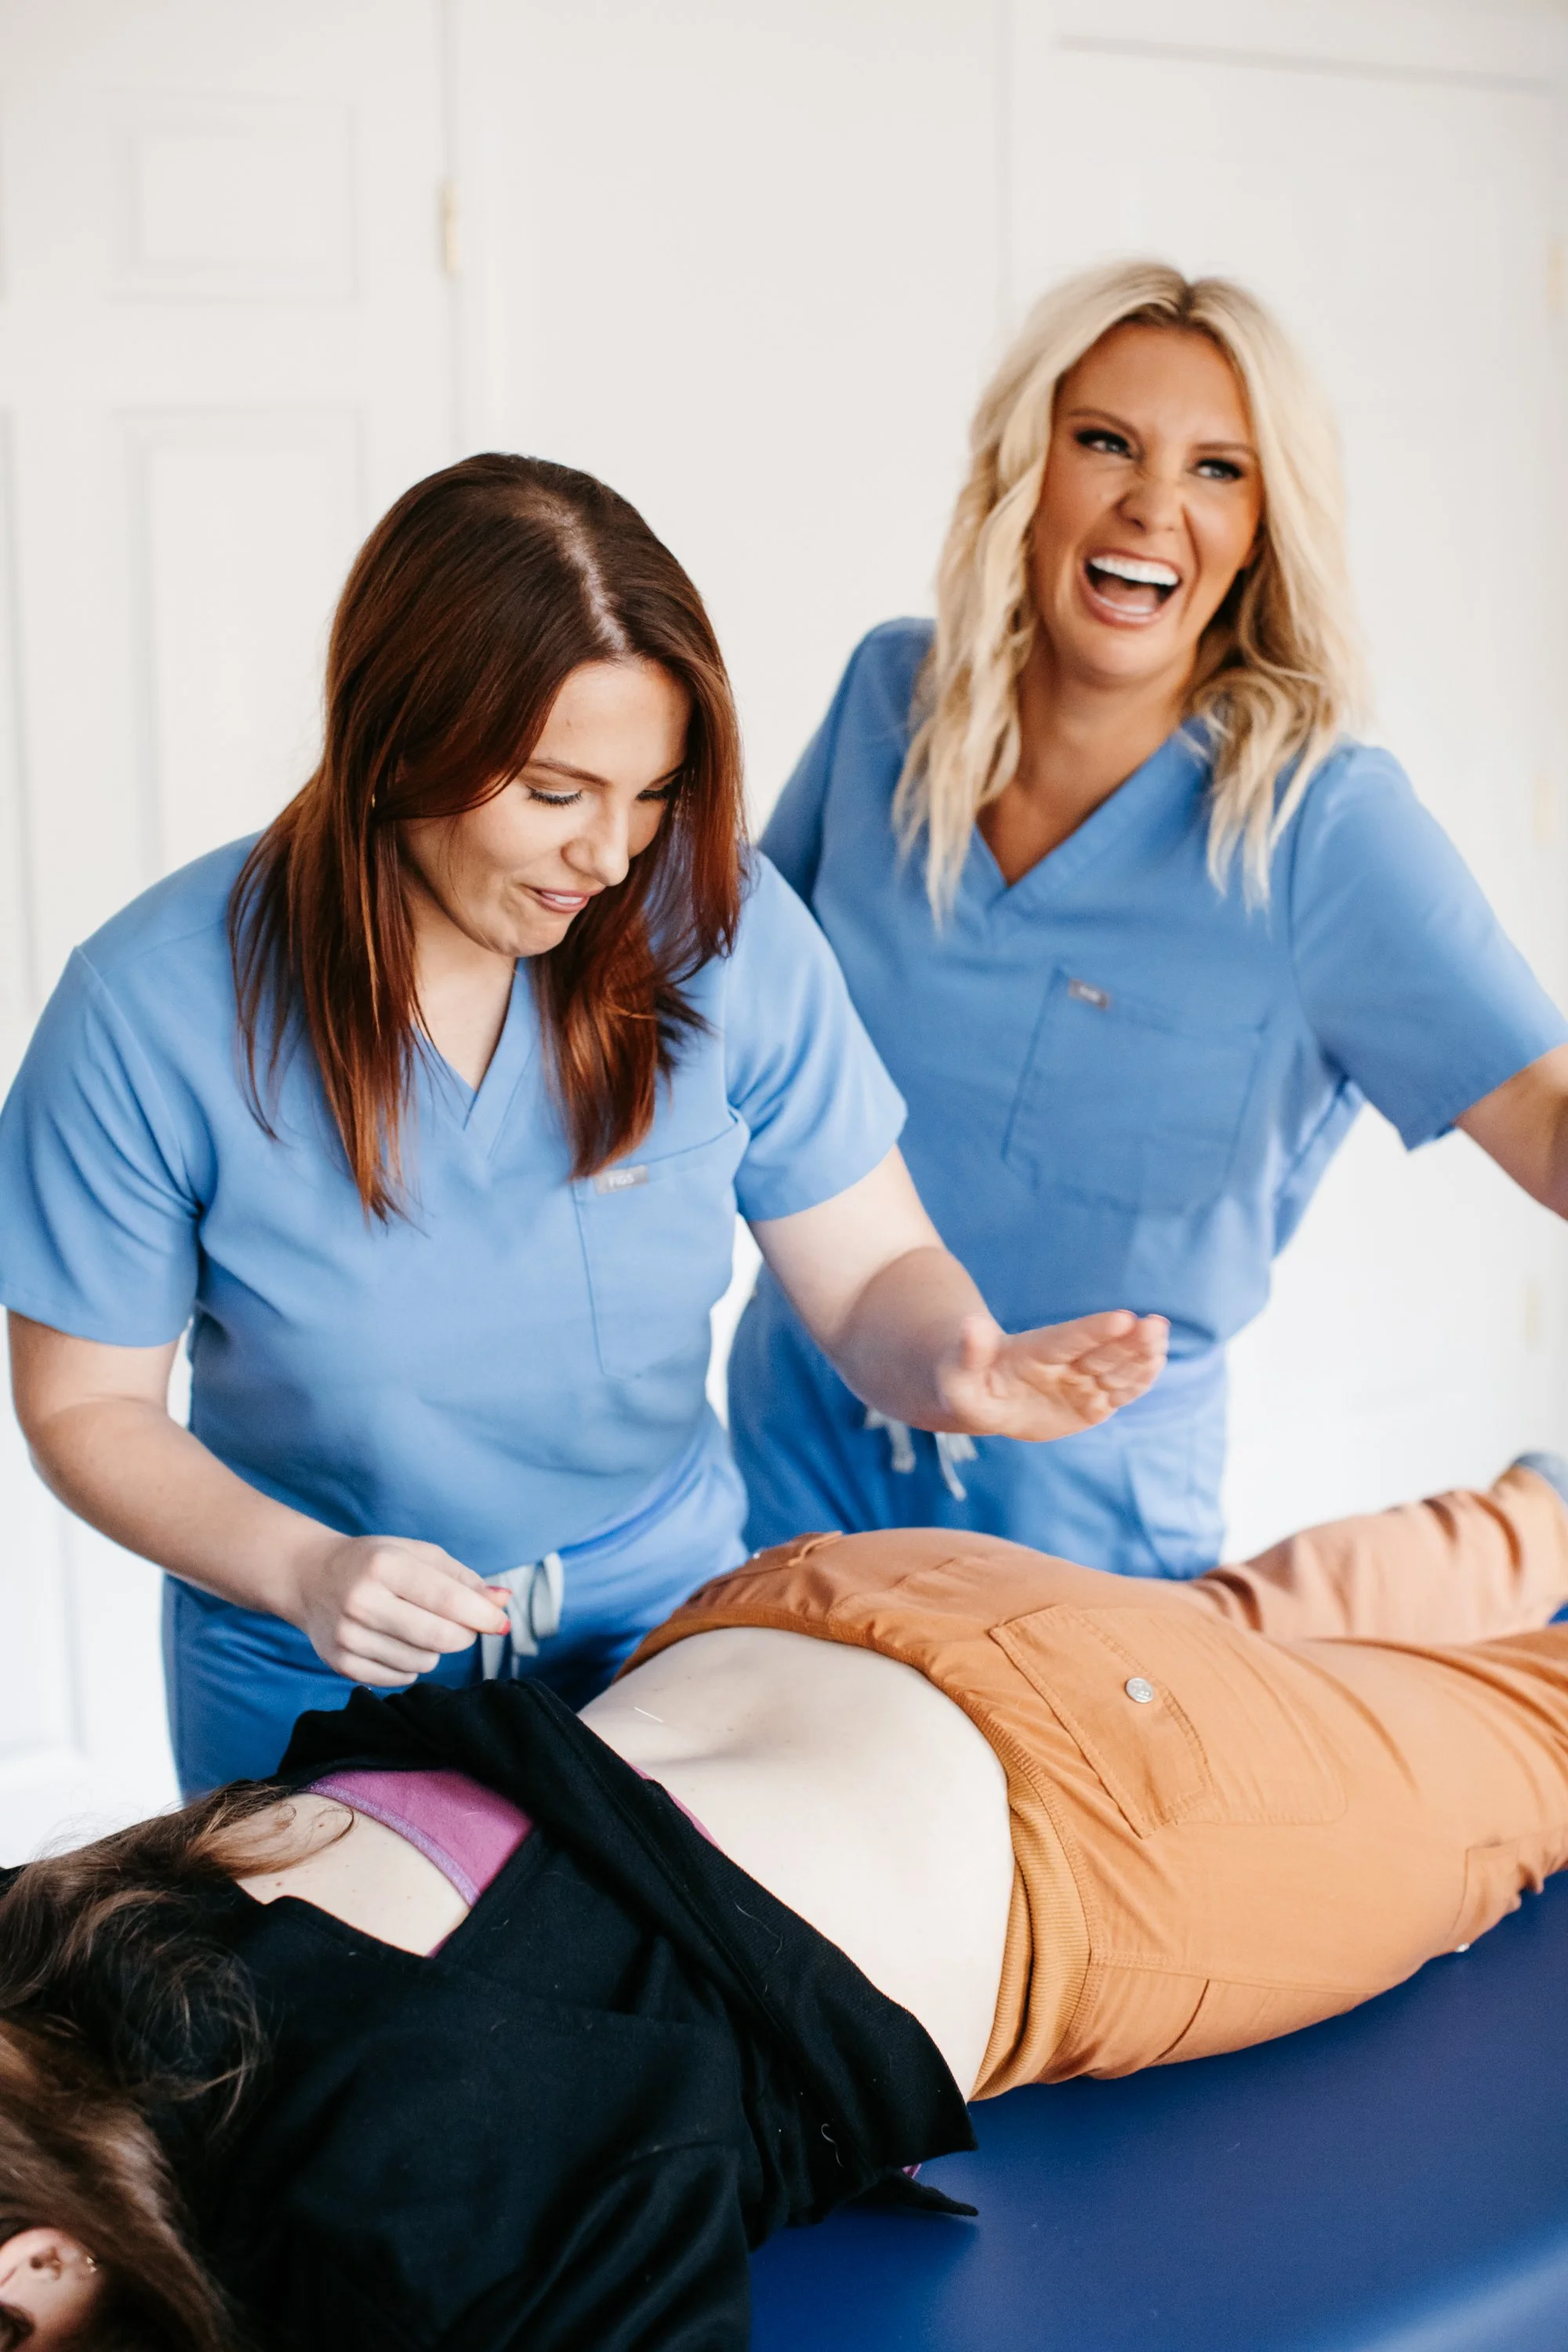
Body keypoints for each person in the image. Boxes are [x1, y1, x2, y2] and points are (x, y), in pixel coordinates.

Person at [0, 453, 1167, 1796]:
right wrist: (303, 1570)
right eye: (555, 794)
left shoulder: (719, 931)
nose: (610, 857)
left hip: (656, 1635)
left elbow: (869, 1276)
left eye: (651, 792)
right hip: (314, 1660)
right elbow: (86, 1406)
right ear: (399, 745)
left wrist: (956, 1362)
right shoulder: (154, 1007)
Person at [5, 1454, 1568, 2350]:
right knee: (1234, 1641)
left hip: (1123, 1818)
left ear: (31, 2270)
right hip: (844, 1605)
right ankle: (1537, 1507)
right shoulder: (39, 1935)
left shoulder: (406, 2229)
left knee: (1535, 1739)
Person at [729, 259, 1568, 1573]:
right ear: (1030, 468)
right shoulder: (889, 701)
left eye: (1218, 469)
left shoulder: (1321, 829)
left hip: (1078, 1513)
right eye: (1104, 442)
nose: (1153, 505)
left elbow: (1548, 1126)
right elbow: (723, 1000)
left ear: (1263, 528)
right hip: (794, 1435)